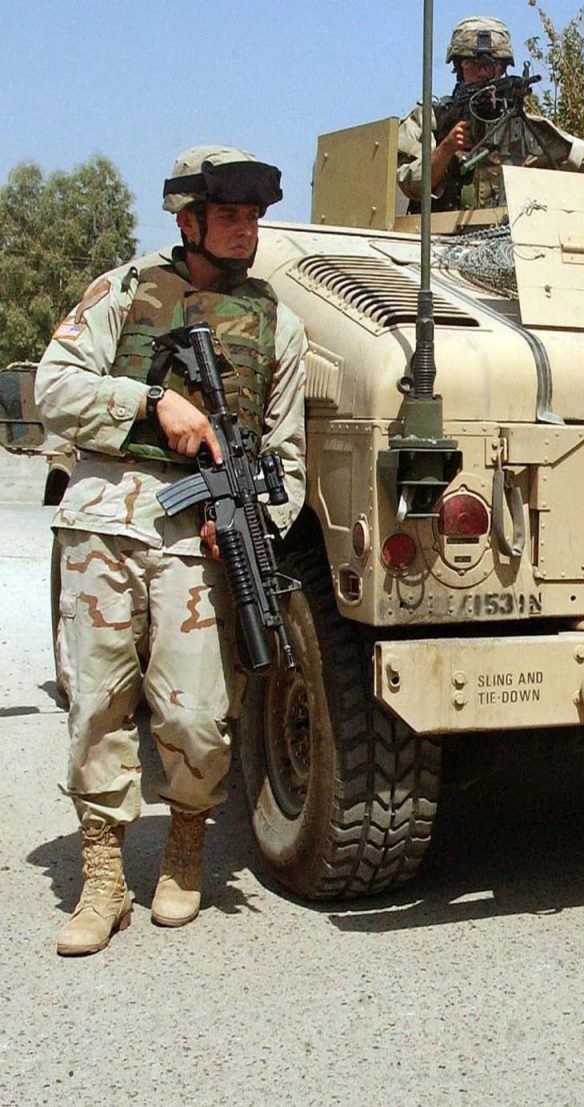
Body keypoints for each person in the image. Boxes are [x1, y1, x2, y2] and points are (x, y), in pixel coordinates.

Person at [35, 146, 307, 955]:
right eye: (229, 215)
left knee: (197, 714)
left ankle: (186, 845)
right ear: (187, 220)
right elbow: (52, 388)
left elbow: (286, 458)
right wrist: (153, 403)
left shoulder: (278, 325)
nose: (245, 230)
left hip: (198, 543)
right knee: (97, 705)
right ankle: (102, 876)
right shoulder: (123, 292)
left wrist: (253, 516)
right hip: (105, 524)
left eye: (255, 217)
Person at [397, 15, 584, 212]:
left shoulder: (522, 126)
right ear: (458, 67)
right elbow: (408, 185)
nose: (483, 73)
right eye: (473, 64)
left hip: (500, 247)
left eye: (491, 65)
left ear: (503, 69)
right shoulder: (430, 119)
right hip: (435, 246)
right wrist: (446, 149)